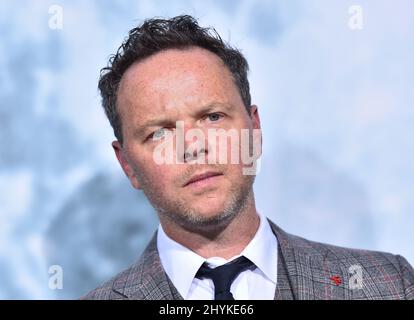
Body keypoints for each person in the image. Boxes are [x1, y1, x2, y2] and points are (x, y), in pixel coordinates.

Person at [83, 15, 414, 300]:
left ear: (254, 129)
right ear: (127, 165)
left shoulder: (388, 284)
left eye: (213, 117)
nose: (193, 147)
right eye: (159, 133)